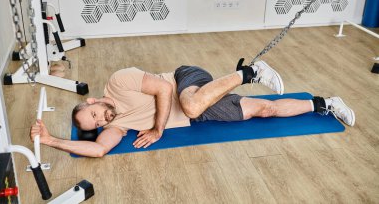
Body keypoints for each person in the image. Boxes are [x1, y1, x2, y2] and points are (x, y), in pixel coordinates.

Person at [30, 59, 355, 157]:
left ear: (93, 100)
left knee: (192, 103)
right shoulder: (117, 127)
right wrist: (49, 141)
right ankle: (326, 103)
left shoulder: (117, 81)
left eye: (96, 111)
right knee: (263, 110)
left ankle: (251, 72)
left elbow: (162, 88)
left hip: (186, 81)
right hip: (198, 112)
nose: (103, 117)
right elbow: (99, 150)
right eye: (98, 122)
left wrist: (158, 129)